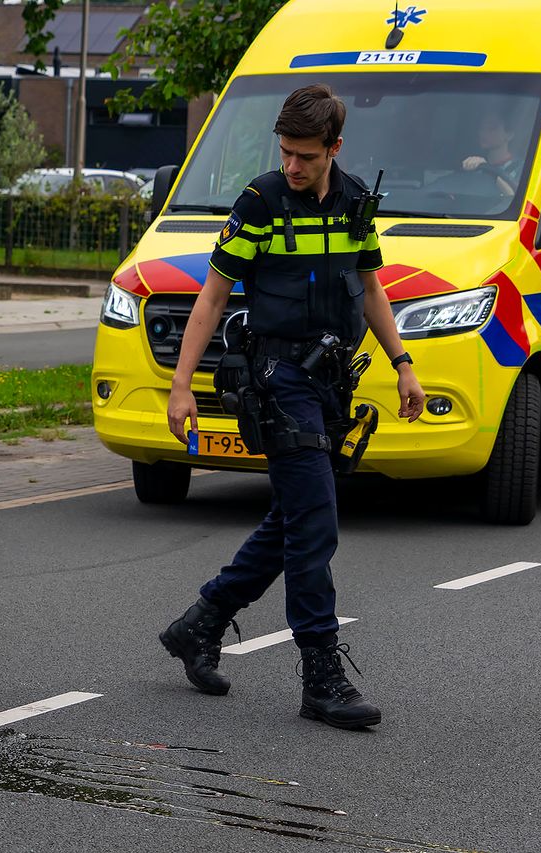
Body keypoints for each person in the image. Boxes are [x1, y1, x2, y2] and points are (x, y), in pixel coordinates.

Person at [161, 85, 426, 730]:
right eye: (285, 153)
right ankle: (321, 674)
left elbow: (369, 287)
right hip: (279, 377)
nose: (293, 166)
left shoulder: (357, 200)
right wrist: (181, 384)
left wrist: (403, 365)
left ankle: (201, 623)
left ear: (335, 147)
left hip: (333, 380)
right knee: (316, 523)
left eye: (306, 156)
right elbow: (213, 297)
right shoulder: (260, 202)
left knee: (294, 520)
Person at [461, 113, 521, 197]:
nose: (483, 132)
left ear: (509, 135)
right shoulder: (472, 165)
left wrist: (489, 170)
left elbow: (515, 198)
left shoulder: (522, 168)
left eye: (492, 128)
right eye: (481, 128)